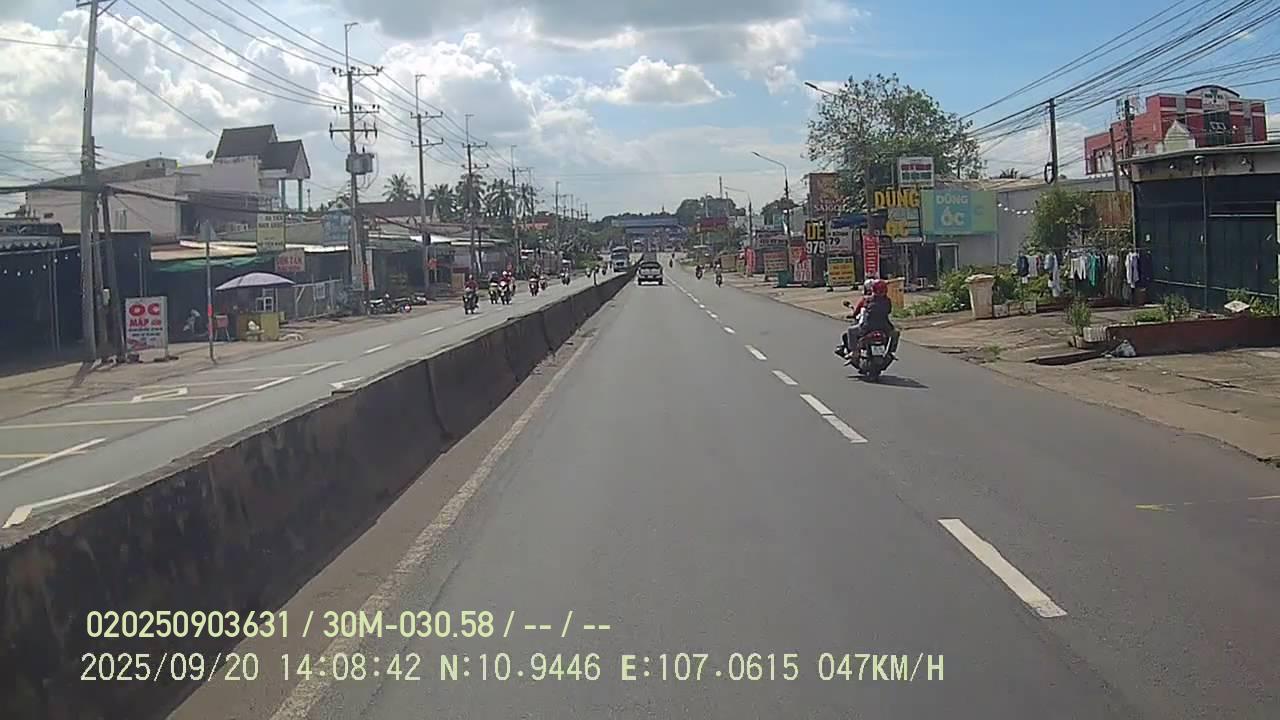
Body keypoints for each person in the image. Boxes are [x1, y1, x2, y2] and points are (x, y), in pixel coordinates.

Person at [840, 279, 898, 359]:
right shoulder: (887, 301)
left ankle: (854, 352)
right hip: (885, 327)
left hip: (867, 327)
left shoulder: (866, 299)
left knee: (851, 331)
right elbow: (889, 311)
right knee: (896, 333)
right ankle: (891, 351)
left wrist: (853, 315)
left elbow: (858, 310)